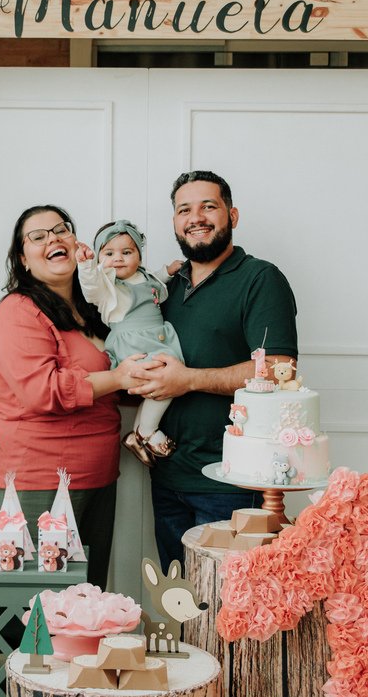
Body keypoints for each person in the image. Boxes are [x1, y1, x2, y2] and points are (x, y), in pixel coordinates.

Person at [129, 170, 300, 569]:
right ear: (174, 222)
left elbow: (279, 370)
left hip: (232, 483)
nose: (196, 217)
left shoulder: (260, 279)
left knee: (229, 614)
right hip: (168, 478)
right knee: (182, 604)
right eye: (184, 209)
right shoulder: (164, 288)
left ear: (232, 215)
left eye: (209, 206)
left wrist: (188, 380)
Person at [0, 205, 144, 587]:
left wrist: (146, 376)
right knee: (34, 609)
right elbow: (44, 391)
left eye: (61, 230)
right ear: (23, 259)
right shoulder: (17, 312)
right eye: (38, 236)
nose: (53, 238)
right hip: (35, 480)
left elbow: (112, 388)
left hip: (98, 476)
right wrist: (118, 374)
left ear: (75, 242)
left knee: (86, 605)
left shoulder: (96, 310)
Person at [76, 220, 185, 466]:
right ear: (99, 258)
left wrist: (166, 272)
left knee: (160, 382)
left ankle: (137, 435)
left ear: (138, 254)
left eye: (127, 252)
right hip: (132, 342)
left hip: (155, 338)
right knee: (164, 380)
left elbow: (152, 284)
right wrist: (85, 265)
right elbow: (91, 289)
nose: (118, 259)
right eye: (109, 253)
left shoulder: (143, 276)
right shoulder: (106, 286)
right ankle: (147, 430)